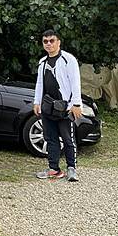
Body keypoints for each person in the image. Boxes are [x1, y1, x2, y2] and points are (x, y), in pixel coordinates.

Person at [33, 29, 82, 182]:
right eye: (45, 41)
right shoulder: (42, 62)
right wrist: (37, 102)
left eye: (52, 40)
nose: (49, 44)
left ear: (58, 42)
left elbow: (75, 82)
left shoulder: (68, 60)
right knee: (51, 138)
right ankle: (54, 169)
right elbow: (40, 83)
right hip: (48, 107)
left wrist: (76, 104)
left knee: (68, 139)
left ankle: (71, 169)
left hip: (65, 107)